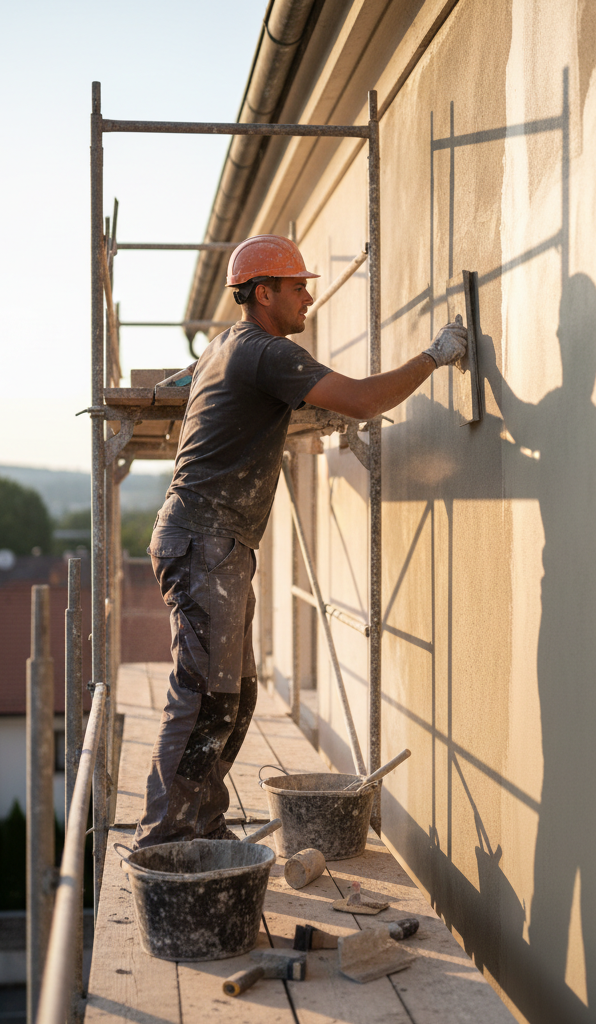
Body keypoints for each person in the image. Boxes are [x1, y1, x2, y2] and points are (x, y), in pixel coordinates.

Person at [133, 234, 466, 848]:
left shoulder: (225, 346)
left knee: (235, 699)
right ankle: (164, 844)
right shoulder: (264, 352)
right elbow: (362, 401)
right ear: (263, 294)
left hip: (215, 543)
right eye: (297, 287)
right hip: (205, 541)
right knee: (205, 699)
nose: (308, 297)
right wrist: (434, 356)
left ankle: (202, 826)